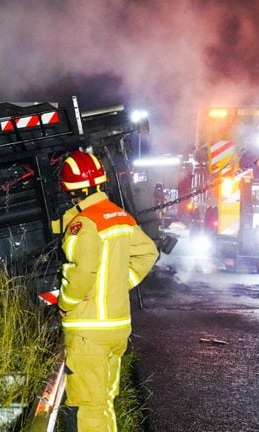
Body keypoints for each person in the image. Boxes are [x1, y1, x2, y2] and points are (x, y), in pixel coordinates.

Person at [56, 150, 158, 432]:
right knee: (104, 403)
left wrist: (65, 302)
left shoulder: (84, 223)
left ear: (70, 189)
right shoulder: (120, 216)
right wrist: (119, 281)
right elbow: (148, 252)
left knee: (88, 408)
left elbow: (82, 272)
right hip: (117, 328)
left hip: (90, 330)